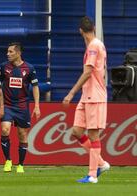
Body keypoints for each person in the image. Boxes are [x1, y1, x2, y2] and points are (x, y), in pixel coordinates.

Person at [62, 16, 110, 184]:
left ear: (80, 30)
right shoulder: (93, 45)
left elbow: (88, 72)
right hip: (87, 96)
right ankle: (101, 163)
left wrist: (71, 93)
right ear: (94, 28)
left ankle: (92, 175)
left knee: (93, 135)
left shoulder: (94, 47)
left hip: (94, 96)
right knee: (76, 131)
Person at [0, 42, 41, 173]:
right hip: (8, 105)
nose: (8, 54)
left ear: (18, 53)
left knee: (22, 135)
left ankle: (21, 165)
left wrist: (37, 105)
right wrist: (0, 104)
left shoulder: (29, 68)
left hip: (22, 106)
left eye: (11, 51)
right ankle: (8, 161)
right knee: (5, 130)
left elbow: (35, 87)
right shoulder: (4, 67)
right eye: (7, 51)